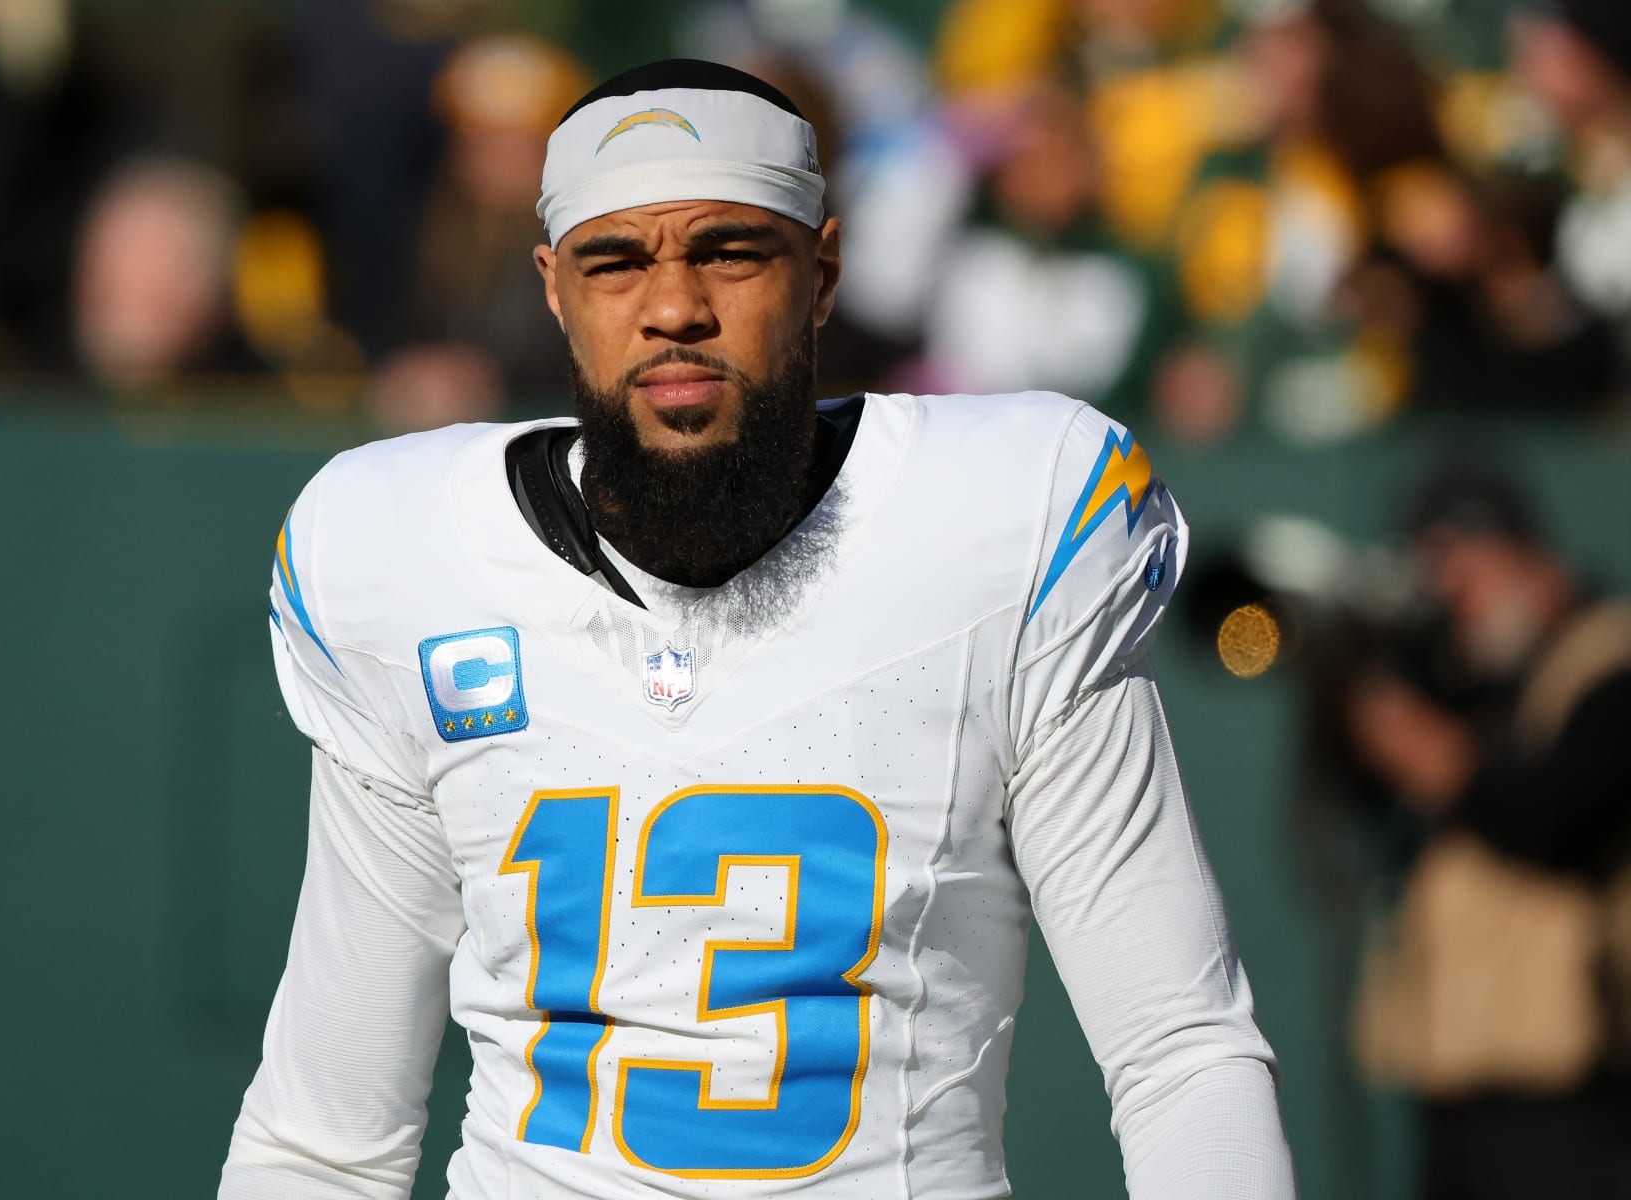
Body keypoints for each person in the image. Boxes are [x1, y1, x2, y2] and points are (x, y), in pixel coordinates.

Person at [220, 59, 1295, 1199]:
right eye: (616, 259)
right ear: (553, 288)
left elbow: (1178, 1050)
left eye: (729, 250)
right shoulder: (408, 562)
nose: (675, 306)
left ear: (822, 273)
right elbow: (324, 1140)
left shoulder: (1002, 528)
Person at [1347, 467, 1631, 1200]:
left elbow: (1556, 818)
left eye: (1466, 576)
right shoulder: (1468, 675)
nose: (1454, 604)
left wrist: (1435, 756)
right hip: (1455, 1081)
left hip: (1567, 1088)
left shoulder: (1605, 659)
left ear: (1528, 560)